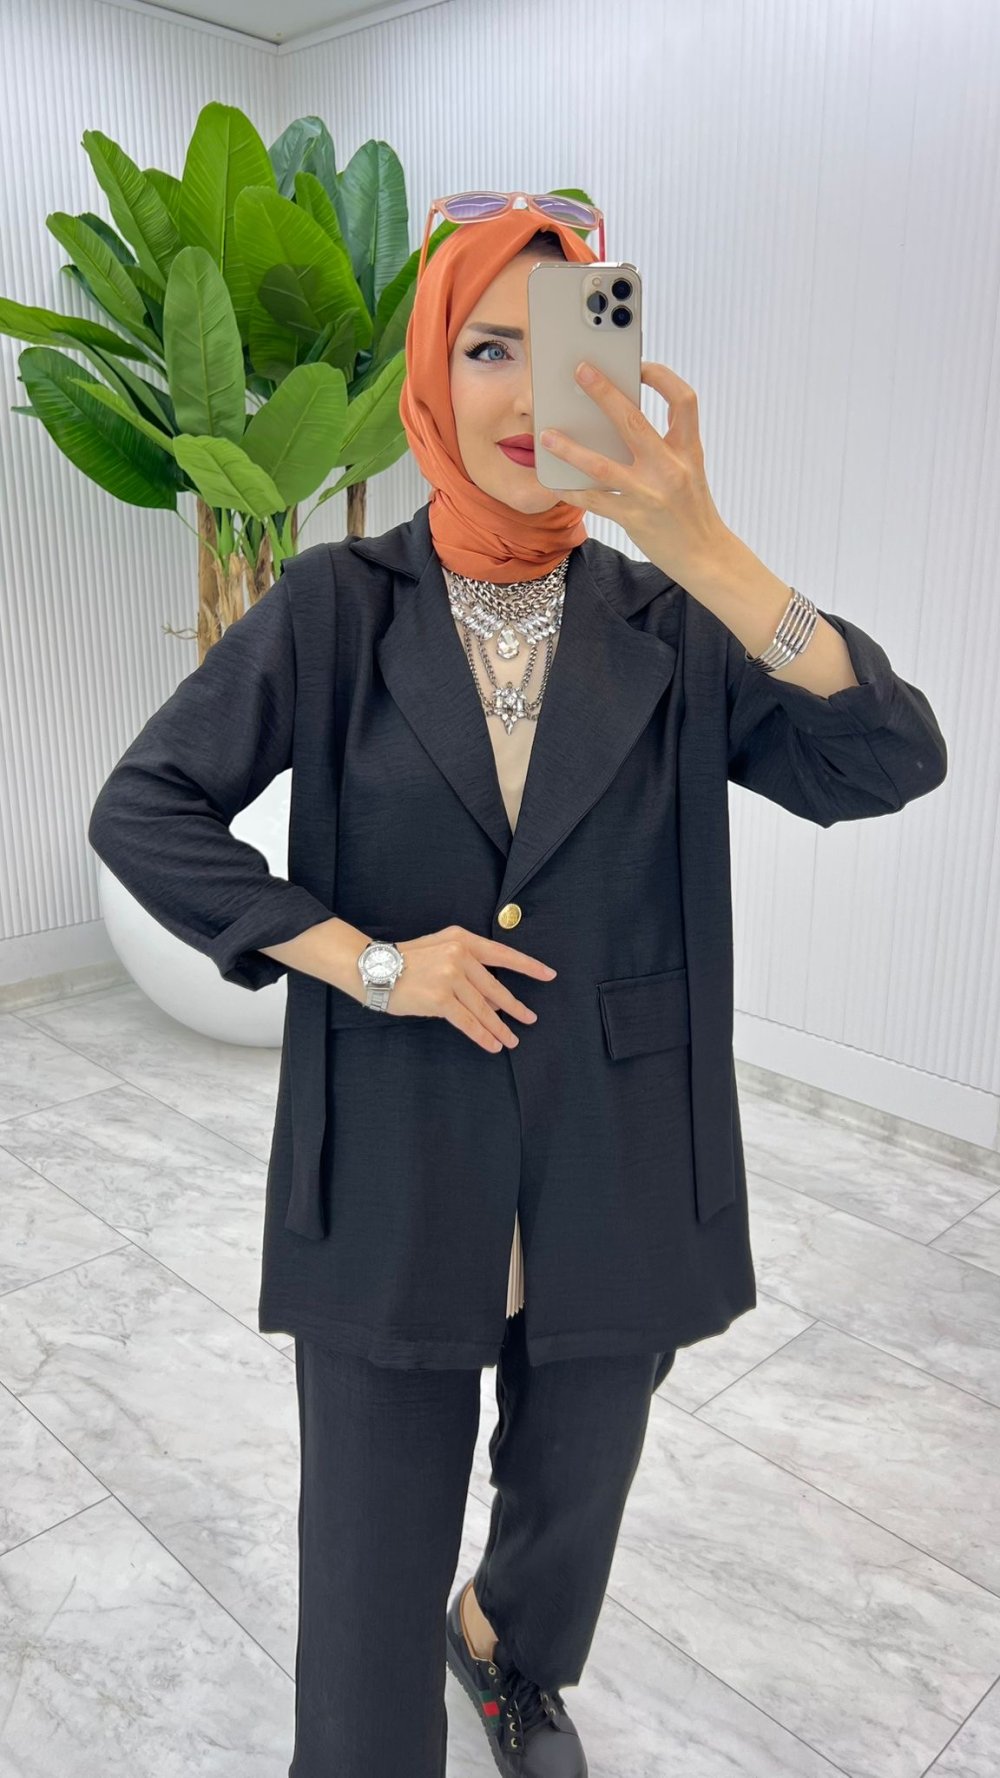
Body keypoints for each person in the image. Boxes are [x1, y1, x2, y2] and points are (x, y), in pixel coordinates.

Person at [87, 197, 948, 1778]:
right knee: (367, 1582)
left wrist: (706, 547)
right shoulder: (336, 609)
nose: (525, 391)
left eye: (559, 349)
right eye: (489, 346)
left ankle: (504, 1649)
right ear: (432, 370)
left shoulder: (671, 621)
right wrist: (369, 960)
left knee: (576, 1490)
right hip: (396, 1154)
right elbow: (146, 807)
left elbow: (887, 759)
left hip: (620, 1150)